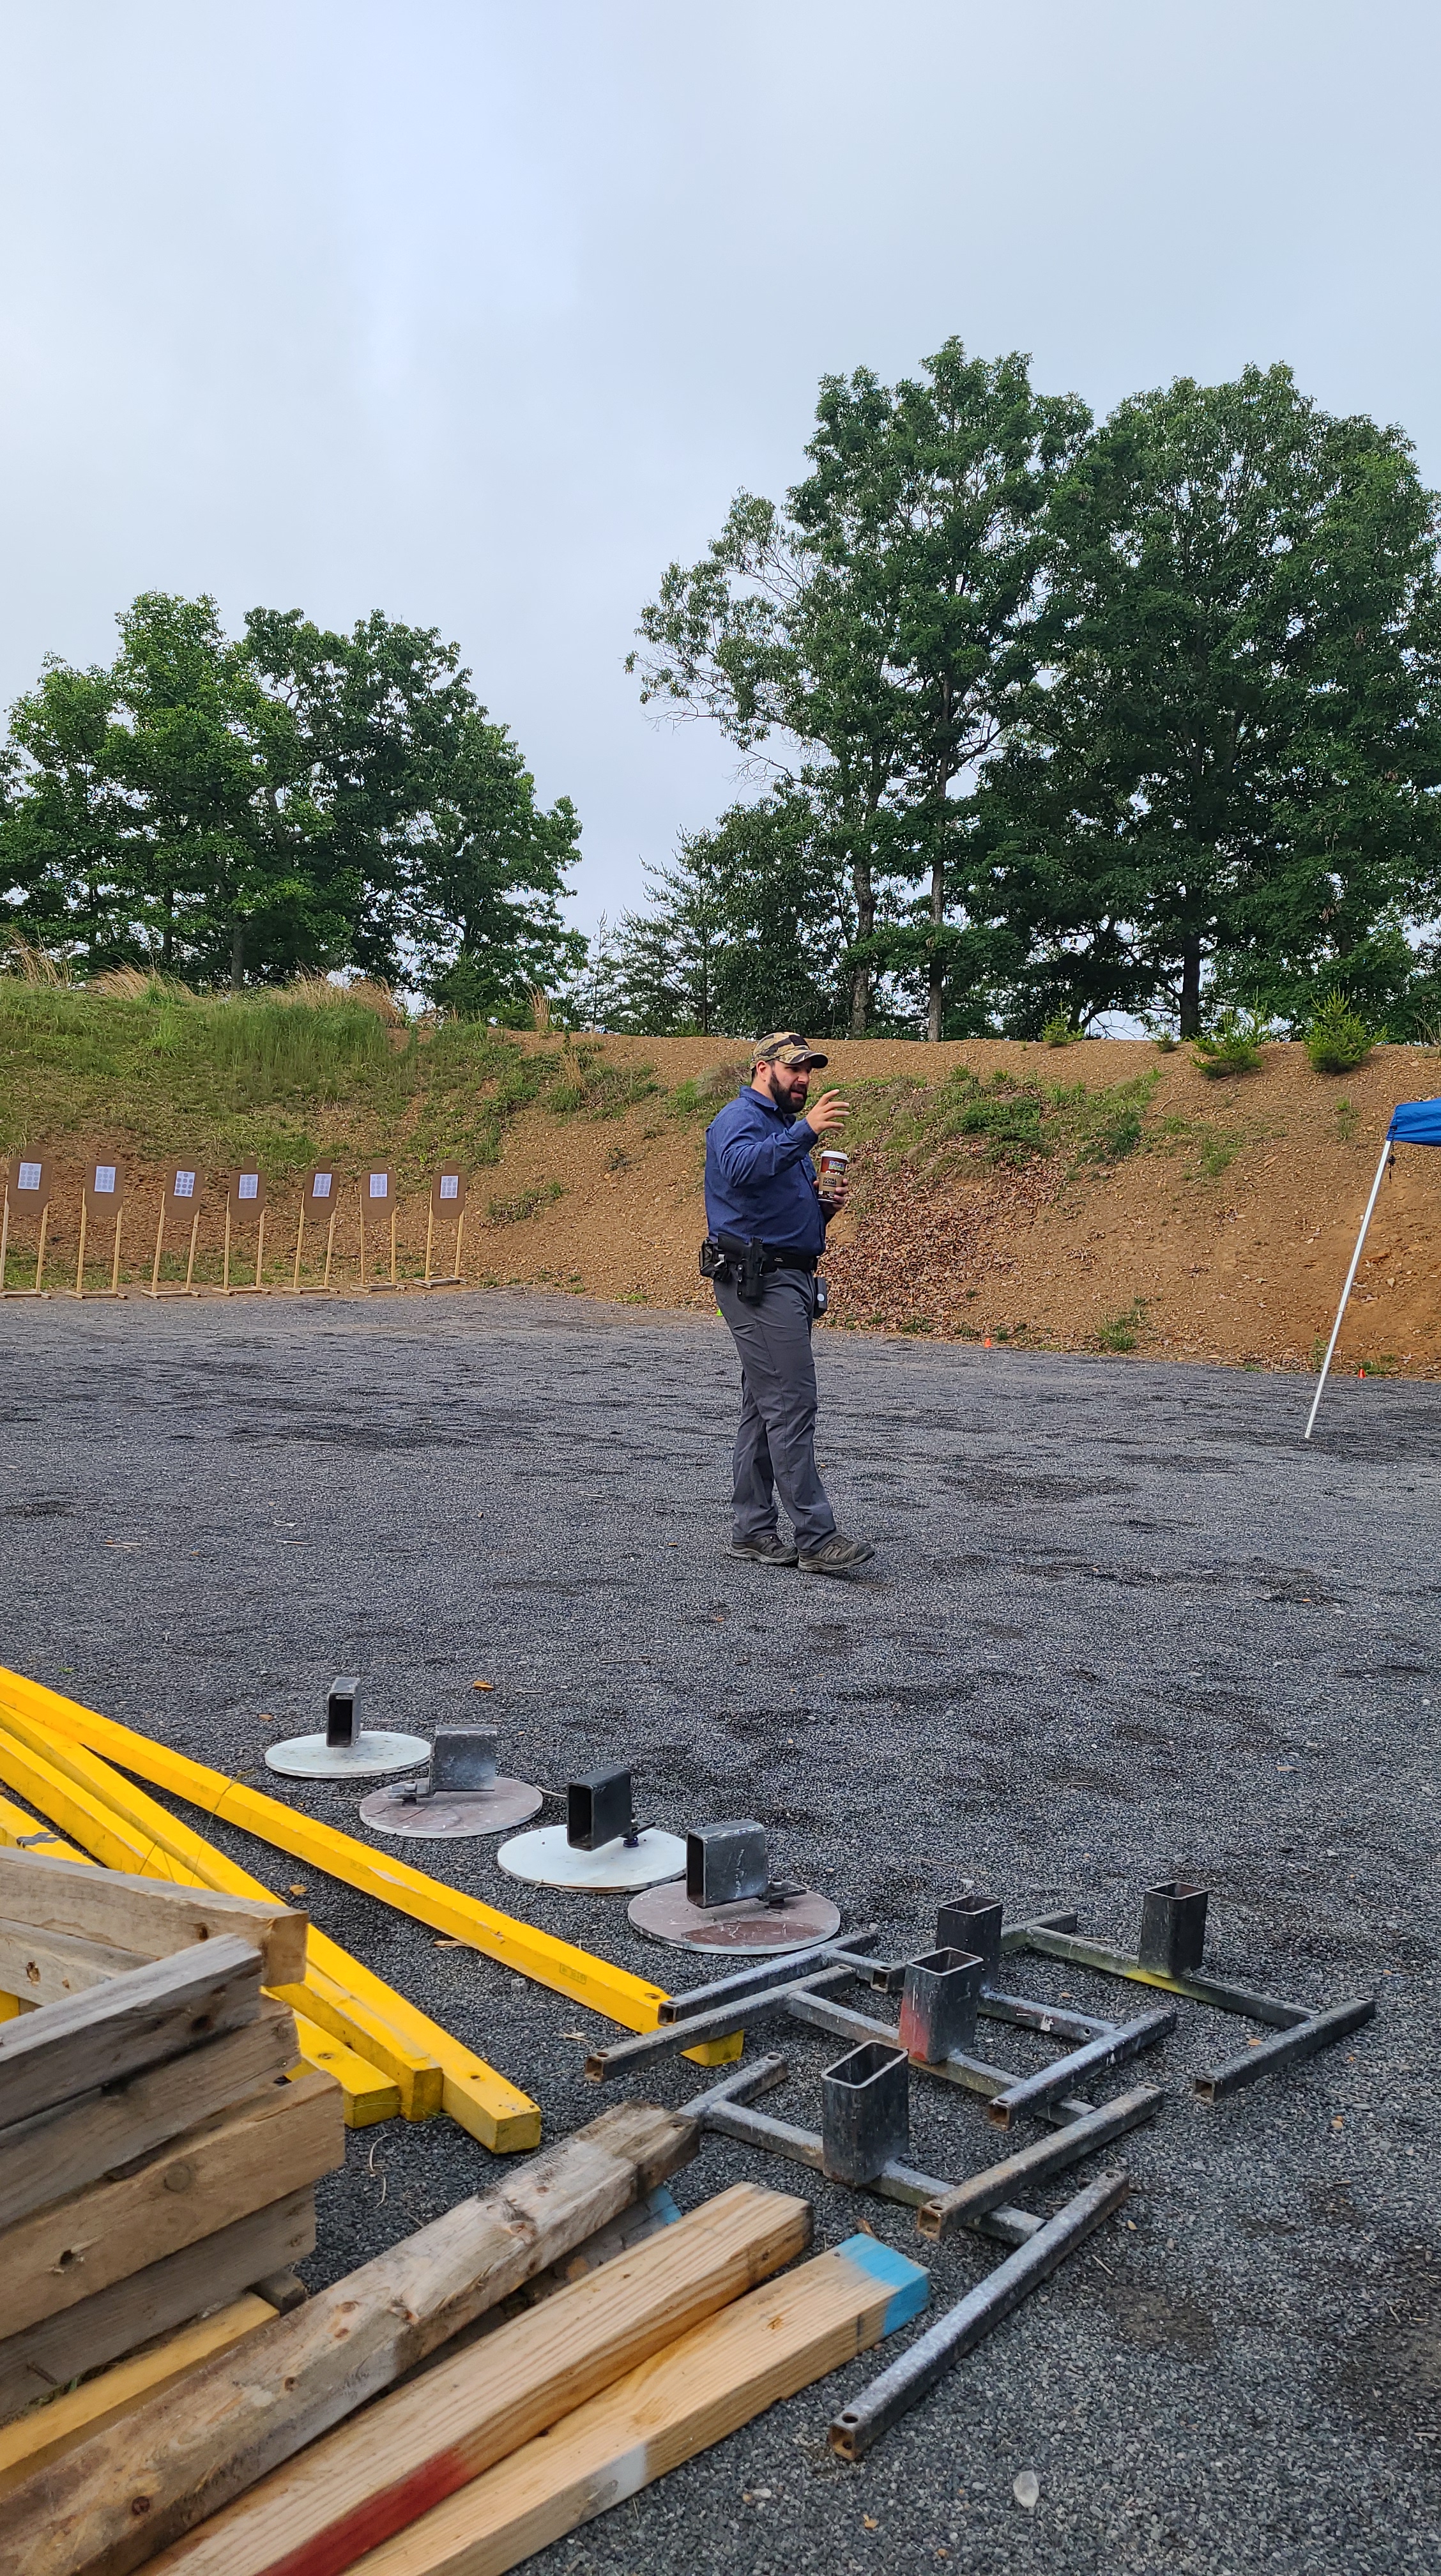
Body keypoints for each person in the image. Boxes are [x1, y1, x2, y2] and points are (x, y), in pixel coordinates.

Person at [703, 1033, 874, 1575]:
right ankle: (816, 1538)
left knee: (765, 1407)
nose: (804, 1079)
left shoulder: (779, 1127)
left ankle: (752, 1530)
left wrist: (822, 1210)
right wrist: (806, 1132)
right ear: (763, 1069)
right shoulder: (740, 1119)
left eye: (809, 1070)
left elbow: (770, 1210)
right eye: (794, 1068)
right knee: (791, 1404)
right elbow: (740, 1169)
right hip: (759, 1282)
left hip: (787, 1278)